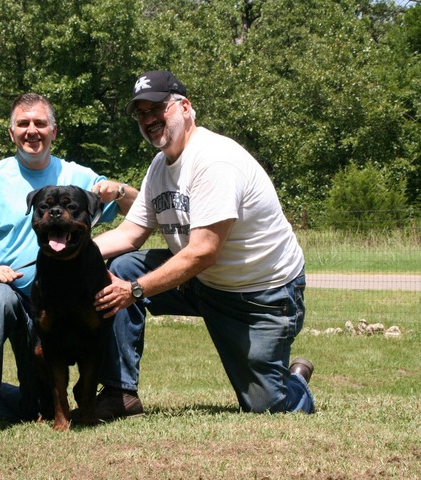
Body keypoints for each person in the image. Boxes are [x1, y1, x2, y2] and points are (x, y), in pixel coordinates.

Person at [92, 70, 315, 418]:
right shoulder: (159, 167)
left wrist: (134, 291)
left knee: (267, 406)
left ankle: (295, 382)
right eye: (141, 113)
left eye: (157, 109)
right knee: (123, 266)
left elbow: (203, 251)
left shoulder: (214, 160)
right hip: (204, 283)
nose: (149, 119)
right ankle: (120, 393)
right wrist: (61, 255)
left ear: (184, 107)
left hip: (261, 296)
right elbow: (128, 235)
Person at [0, 93, 137, 436]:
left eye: (40, 123)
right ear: (12, 132)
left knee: (37, 405)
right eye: (23, 123)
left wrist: (118, 189)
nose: (32, 131)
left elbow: (136, 211)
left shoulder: (78, 176)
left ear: (54, 131)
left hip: (56, 298)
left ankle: (18, 396)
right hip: (9, 295)